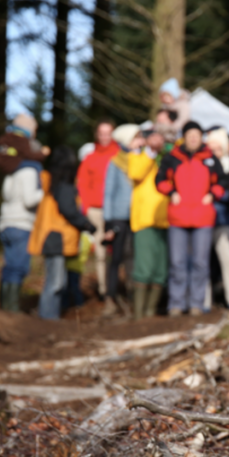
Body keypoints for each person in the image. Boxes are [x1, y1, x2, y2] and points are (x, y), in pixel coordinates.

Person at [156, 121, 225, 316]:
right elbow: (159, 180)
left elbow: (223, 182)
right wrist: (172, 192)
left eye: (197, 135)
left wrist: (212, 193)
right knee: (177, 262)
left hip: (203, 217)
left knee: (200, 263)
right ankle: (176, 304)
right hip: (178, 217)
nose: (193, 138)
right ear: (184, 137)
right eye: (190, 135)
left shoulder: (210, 158)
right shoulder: (172, 158)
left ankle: (196, 303)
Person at [27, 146, 97, 320]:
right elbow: (69, 210)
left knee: (56, 280)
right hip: (57, 237)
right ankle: (48, 317)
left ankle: (50, 315)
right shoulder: (63, 186)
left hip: (51, 236)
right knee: (56, 282)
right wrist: (87, 225)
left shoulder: (50, 183)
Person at [0, 115, 47, 312]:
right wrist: (46, 192)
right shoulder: (30, 171)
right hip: (21, 223)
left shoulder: (10, 170)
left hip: (5, 222)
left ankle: (4, 304)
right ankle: (12, 309)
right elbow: (30, 199)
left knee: (9, 265)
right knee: (19, 267)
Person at [128, 129, 170, 319]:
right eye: (153, 136)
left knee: (160, 270)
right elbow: (136, 172)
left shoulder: (167, 158)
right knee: (144, 269)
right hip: (145, 220)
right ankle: (139, 315)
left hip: (165, 220)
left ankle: (150, 313)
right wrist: (149, 152)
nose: (157, 140)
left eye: (160, 136)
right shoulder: (139, 157)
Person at [99, 124, 140, 316]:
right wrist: (108, 221)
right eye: (135, 138)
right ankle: (111, 298)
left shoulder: (139, 160)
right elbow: (108, 192)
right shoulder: (115, 163)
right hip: (118, 218)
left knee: (132, 258)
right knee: (115, 259)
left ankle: (133, 298)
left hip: (136, 217)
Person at [76, 120, 120, 297]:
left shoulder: (119, 155)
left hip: (117, 211)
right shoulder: (90, 158)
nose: (104, 137)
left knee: (118, 251)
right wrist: (86, 207)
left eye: (107, 133)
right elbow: (83, 184)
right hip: (96, 210)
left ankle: (118, 286)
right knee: (101, 253)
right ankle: (104, 290)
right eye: (101, 133)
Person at [204, 128, 229, 309]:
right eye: (210, 148)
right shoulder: (202, 165)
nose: (214, 152)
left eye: (217, 148)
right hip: (203, 221)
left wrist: (217, 194)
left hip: (223, 219)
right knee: (202, 262)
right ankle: (202, 302)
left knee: (228, 260)